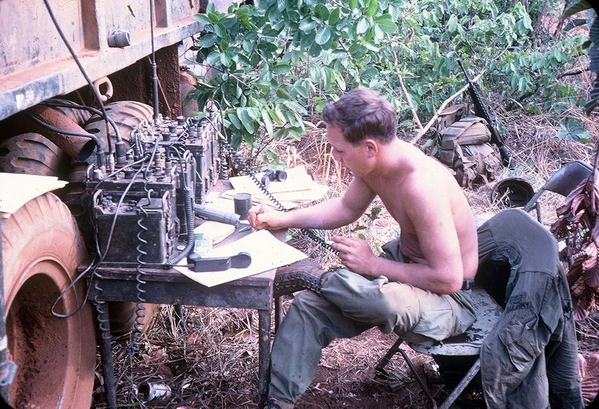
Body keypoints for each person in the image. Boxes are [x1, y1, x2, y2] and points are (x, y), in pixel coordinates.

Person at [247, 87, 479, 409]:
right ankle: (277, 402)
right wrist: (282, 218)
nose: (335, 158)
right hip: (409, 268)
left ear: (369, 148)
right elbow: (345, 208)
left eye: (340, 151)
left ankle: (318, 277)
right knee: (307, 308)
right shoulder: (376, 166)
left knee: (387, 300)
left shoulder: (421, 186)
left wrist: (373, 266)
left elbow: (449, 279)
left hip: (451, 298)